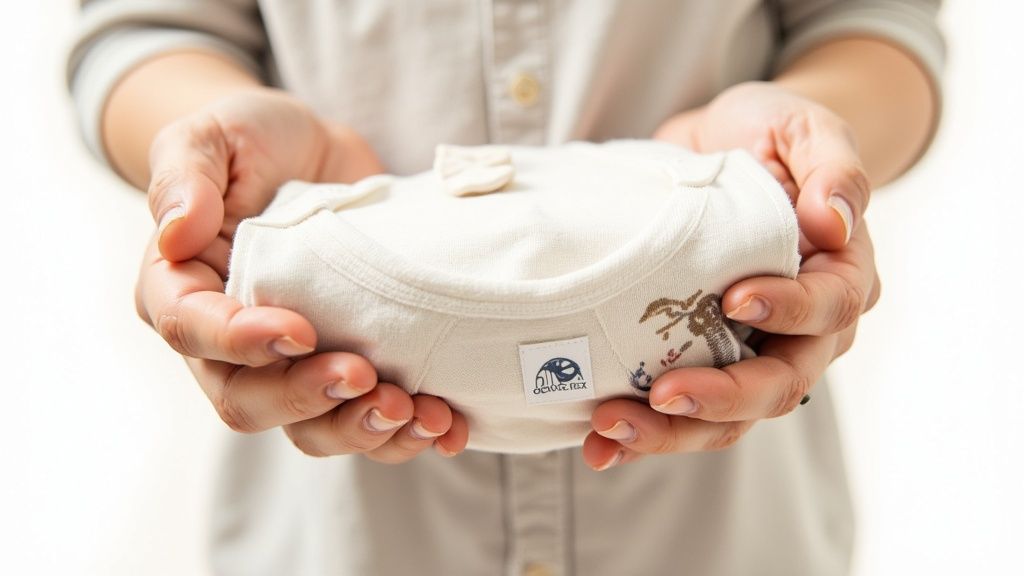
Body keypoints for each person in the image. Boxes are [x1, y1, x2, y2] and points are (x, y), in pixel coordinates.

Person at [67, 1, 943, 575]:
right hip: (339, 525)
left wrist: (809, 156)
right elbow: (143, 28)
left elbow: (875, 21)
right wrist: (204, 144)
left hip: (726, 525)